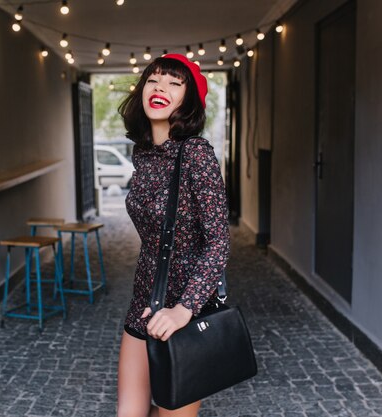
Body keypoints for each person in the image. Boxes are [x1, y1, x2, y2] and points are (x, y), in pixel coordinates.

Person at [116, 54, 230, 417]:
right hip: (143, 303)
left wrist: (184, 309)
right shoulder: (143, 154)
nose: (160, 88)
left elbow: (218, 242)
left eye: (174, 83)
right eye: (153, 79)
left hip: (184, 313)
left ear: (188, 100)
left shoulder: (197, 155)